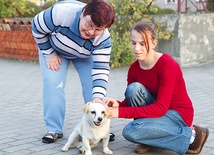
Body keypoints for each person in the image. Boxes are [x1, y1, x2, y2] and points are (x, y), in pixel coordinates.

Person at [103, 21, 209, 154]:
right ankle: (147, 138)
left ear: (154, 43)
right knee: (133, 90)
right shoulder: (134, 69)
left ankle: (192, 136)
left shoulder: (167, 65)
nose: (136, 48)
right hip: (157, 113)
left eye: (142, 44)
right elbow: (131, 101)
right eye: (133, 42)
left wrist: (120, 113)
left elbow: (161, 108)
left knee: (130, 131)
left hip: (177, 115)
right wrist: (117, 105)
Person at [31, 0, 115, 144]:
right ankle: (54, 129)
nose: (90, 32)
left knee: (93, 88)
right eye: (89, 25)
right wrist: (49, 53)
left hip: (84, 55)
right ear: (83, 14)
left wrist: (98, 97)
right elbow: (36, 26)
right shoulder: (60, 14)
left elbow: (101, 70)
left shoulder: (103, 38)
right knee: (53, 83)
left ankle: (99, 129)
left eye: (97, 29)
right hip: (55, 51)